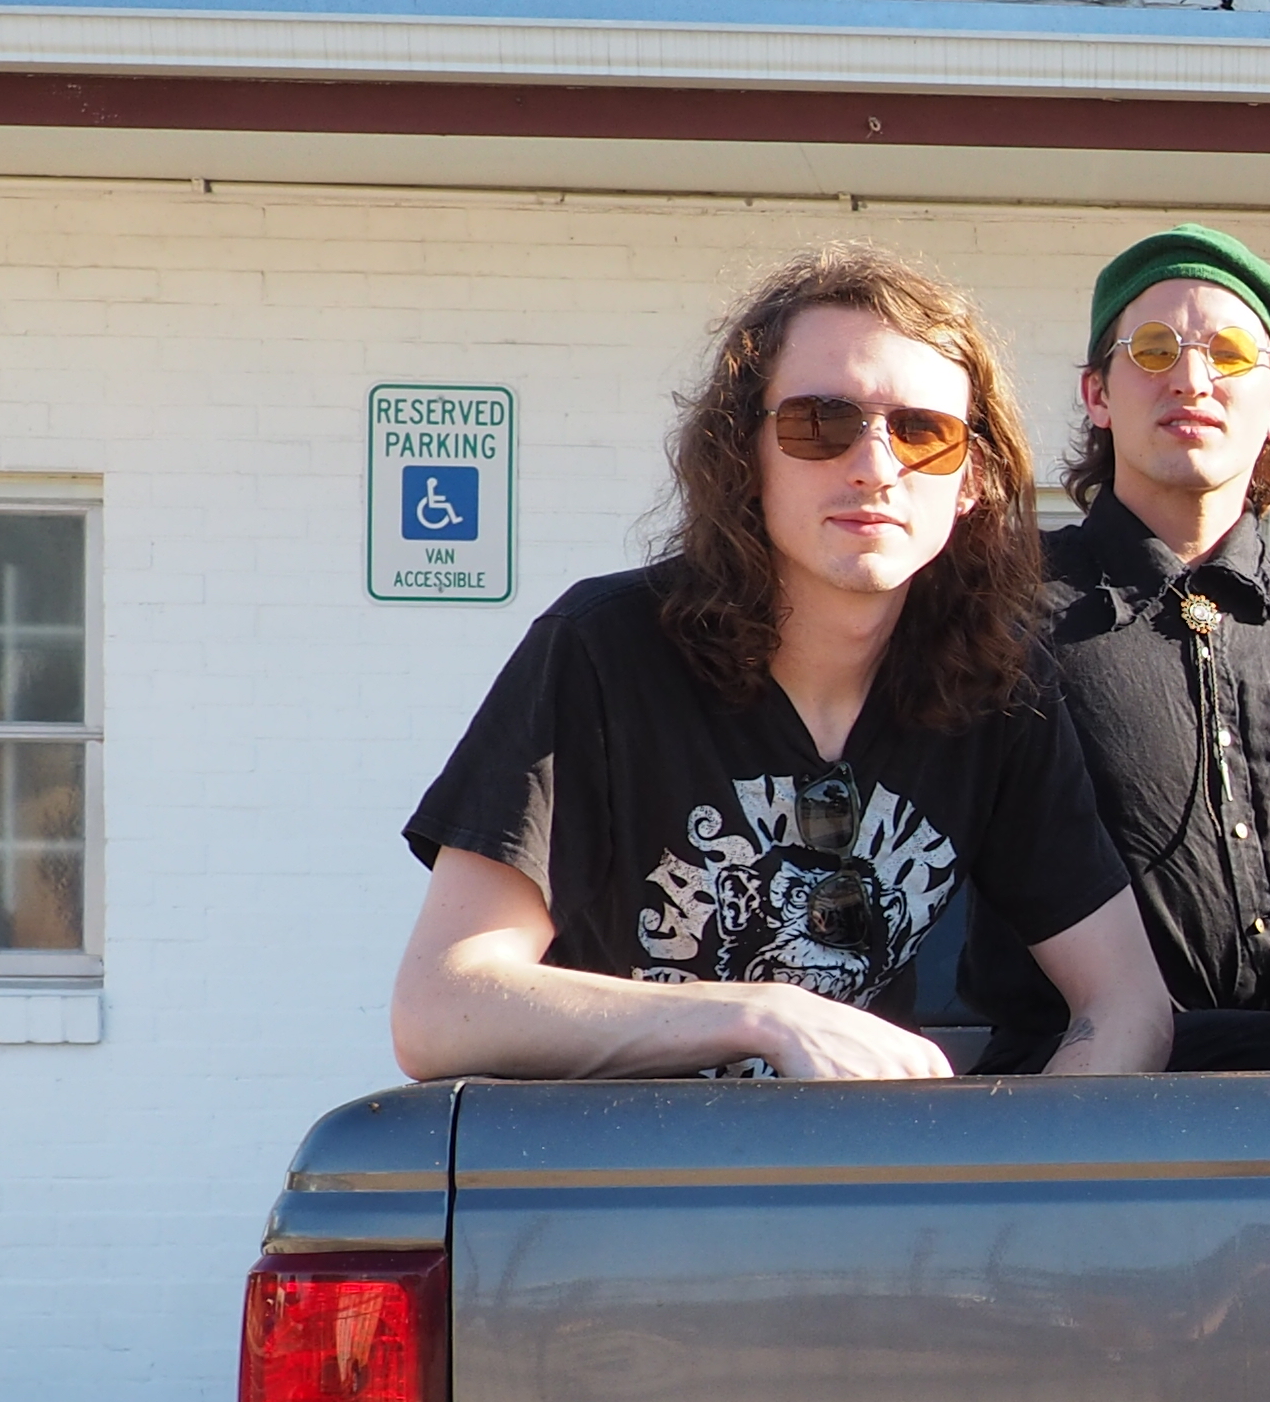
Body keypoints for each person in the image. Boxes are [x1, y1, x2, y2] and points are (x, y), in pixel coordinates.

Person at [393, 245, 1173, 1082]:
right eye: (820, 424)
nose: (876, 465)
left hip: (844, 1199)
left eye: (923, 432)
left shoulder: (997, 686)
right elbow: (442, 1007)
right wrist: (762, 1016)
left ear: (973, 477)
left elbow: (1127, 1003)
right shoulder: (602, 651)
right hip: (614, 1197)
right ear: (745, 455)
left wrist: (1021, 1187)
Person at [956, 223, 1270, 1070]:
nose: (1191, 377)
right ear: (1097, 394)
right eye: (1154, 349)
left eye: (1230, 354)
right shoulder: (998, 604)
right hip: (1082, 1103)